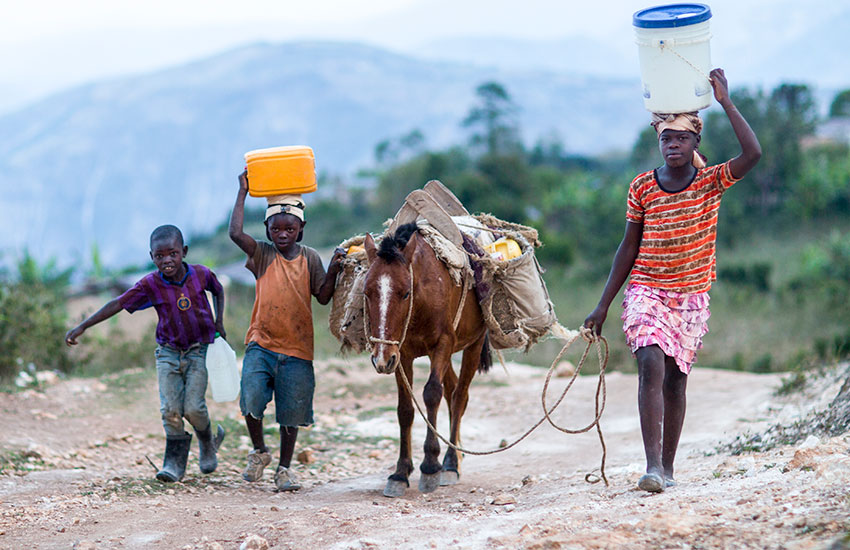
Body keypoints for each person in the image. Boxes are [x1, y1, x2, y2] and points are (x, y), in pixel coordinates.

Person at [583, 68, 762, 493]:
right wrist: (604, 304)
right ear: (658, 142)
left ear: (695, 142)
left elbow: (753, 154)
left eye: (681, 138)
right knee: (649, 363)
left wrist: (726, 102)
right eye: (666, 138)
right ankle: (651, 467)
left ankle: (668, 466)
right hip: (646, 290)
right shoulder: (643, 187)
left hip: (691, 296)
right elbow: (627, 248)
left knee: (676, 380)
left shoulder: (711, 182)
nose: (673, 145)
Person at [65, 225, 227, 482]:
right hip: (168, 352)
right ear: (152, 257)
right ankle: (174, 463)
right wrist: (83, 325)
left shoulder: (201, 274)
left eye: (172, 254)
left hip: (198, 350)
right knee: (170, 410)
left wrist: (219, 323)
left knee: (194, 408)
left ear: (183, 252)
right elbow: (118, 303)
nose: (167, 260)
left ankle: (207, 442)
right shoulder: (151, 284)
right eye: (159, 256)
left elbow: (218, 290)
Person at [229, 170, 344, 491]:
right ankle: (259, 452)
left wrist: (333, 267)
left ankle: (284, 468)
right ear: (266, 228)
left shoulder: (310, 258)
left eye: (289, 228)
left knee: (290, 413)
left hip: (297, 350)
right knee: (251, 398)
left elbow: (322, 297)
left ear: (301, 230)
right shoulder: (262, 254)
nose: (282, 234)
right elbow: (235, 234)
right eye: (275, 228)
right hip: (260, 344)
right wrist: (242, 192)